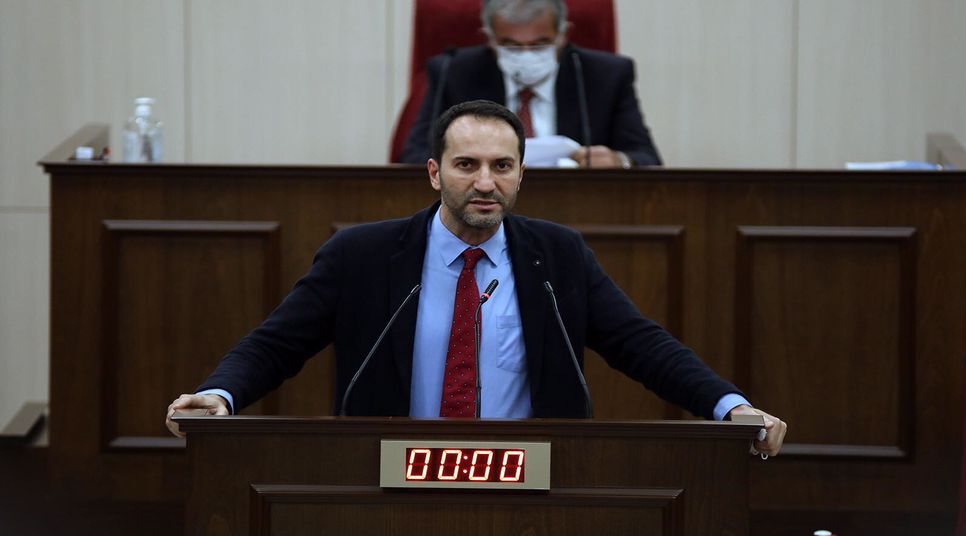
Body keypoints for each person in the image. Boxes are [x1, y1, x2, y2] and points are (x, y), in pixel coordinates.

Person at [166, 99, 785, 456]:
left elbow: (640, 344)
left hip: (528, 474)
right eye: (466, 165)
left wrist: (729, 407)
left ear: (521, 175)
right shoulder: (362, 255)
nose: (485, 183)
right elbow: (277, 343)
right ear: (434, 173)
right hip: (390, 473)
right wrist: (219, 395)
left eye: (501, 166)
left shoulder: (558, 254)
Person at [397, 0, 662, 168]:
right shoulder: (452, 72)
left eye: (540, 44)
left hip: (576, 205)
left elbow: (647, 158)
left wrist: (619, 161)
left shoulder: (606, 75)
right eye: (510, 45)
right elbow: (414, 157)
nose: (526, 55)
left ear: (563, 35)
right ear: (490, 39)